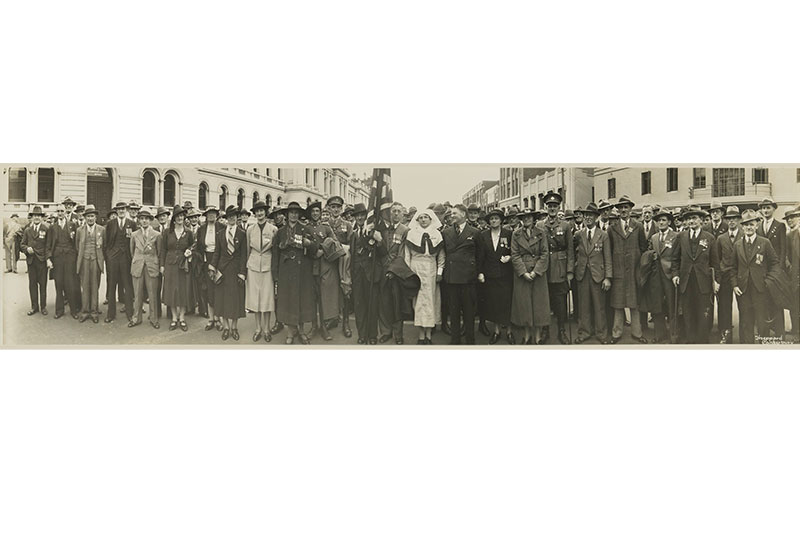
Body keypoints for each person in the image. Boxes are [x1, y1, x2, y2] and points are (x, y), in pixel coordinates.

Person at [273, 201, 319, 344]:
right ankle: (289, 333)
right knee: (288, 302)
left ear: (299, 214)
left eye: (296, 212)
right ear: (287, 214)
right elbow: (275, 254)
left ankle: (301, 331)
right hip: (286, 271)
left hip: (302, 271)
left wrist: (309, 244)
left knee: (301, 301)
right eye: (291, 212)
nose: (293, 215)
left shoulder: (305, 229)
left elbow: (315, 249)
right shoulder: (280, 232)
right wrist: (275, 275)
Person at [734, 210, 781, 344]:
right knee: (745, 321)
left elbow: (775, 264)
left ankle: (762, 348)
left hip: (761, 289)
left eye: (752, 224)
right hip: (742, 290)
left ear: (756, 226)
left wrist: (768, 281)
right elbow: (732, 267)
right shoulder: (737, 245)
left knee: (762, 322)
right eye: (746, 225)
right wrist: (735, 285)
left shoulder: (765, 243)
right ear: (742, 227)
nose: (749, 227)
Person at [672, 208, 718, 344]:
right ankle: (690, 339)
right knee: (687, 311)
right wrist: (675, 274)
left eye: (695, 218)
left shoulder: (709, 238)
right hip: (686, 280)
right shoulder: (681, 237)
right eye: (689, 219)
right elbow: (675, 259)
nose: (691, 221)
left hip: (703, 281)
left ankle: (702, 340)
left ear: (701, 220)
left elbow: (715, 261)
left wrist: (716, 281)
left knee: (703, 311)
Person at [606, 195, 648, 343]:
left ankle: (637, 333)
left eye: (626, 207)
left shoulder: (638, 226)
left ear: (630, 209)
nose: (623, 210)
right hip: (618, 272)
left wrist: (639, 267)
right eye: (621, 207)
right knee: (618, 304)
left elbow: (644, 247)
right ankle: (616, 333)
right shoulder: (612, 229)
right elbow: (609, 251)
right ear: (617, 211)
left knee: (634, 304)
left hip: (634, 272)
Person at [404, 208, 445, 344]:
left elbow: (441, 257)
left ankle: (428, 334)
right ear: (417, 219)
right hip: (416, 269)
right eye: (420, 217)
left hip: (431, 269)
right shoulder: (411, 234)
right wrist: (409, 274)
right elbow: (407, 256)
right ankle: (421, 335)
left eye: (426, 217)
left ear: (431, 219)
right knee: (419, 302)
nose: (423, 220)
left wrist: (439, 272)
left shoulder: (437, 234)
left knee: (430, 301)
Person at [538, 192, 574, 344]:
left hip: (560, 268)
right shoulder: (540, 225)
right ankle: (545, 330)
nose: (552, 209)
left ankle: (561, 330)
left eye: (555, 206)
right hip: (545, 269)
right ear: (546, 208)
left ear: (559, 207)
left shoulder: (565, 226)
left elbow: (570, 250)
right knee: (545, 302)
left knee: (560, 303)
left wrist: (570, 270)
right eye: (549, 206)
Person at [573, 204, 612, 344]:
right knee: (583, 306)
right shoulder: (578, 234)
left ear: (596, 217)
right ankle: (584, 332)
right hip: (582, 274)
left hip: (598, 275)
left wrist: (608, 278)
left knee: (599, 306)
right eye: (585, 215)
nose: (588, 218)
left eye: (591, 215)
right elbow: (573, 254)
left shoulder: (603, 235)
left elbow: (607, 257)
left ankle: (601, 334)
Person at [441, 204, 480, 345]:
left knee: (469, 311)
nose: (452, 216)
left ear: (463, 214)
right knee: (454, 311)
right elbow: (443, 253)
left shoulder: (475, 232)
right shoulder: (446, 233)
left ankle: (470, 339)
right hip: (451, 277)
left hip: (468, 277)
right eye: (451, 214)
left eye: (454, 213)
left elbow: (479, 255)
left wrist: (477, 272)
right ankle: (455, 339)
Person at [510, 209, 550, 344]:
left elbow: (545, 253)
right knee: (524, 305)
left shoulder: (541, 233)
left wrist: (536, 271)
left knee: (539, 305)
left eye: (529, 217)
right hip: (522, 273)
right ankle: (527, 335)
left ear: (533, 218)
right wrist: (523, 272)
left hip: (538, 272)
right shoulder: (516, 234)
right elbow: (514, 255)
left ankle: (538, 335)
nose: (526, 219)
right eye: (524, 217)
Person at [477, 209, 515, 344]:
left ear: (501, 220)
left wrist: (509, 257)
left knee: (507, 303)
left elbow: (514, 251)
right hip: (490, 274)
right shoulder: (483, 235)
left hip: (505, 274)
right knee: (493, 303)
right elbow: (480, 256)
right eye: (491, 219)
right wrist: (480, 272)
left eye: (496, 218)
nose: (494, 221)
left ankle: (509, 332)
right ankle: (497, 331)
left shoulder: (509, 234)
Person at [210, 205, 247, 340]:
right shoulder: (220, 234)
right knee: (223, 299)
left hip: (236, 270)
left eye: (234, 216)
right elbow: (217, 253)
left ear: (237, 217)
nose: (231, 218)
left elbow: (244, 255)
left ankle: (234, 327)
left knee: (235, 299)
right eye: (229, 216)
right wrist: (212, 267)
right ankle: (226, 327)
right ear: (226, 218)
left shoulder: (242, 234)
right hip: (223, 270)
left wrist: (242, 273)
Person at [349, 203, 384, 344]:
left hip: (371, 273)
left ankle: (372, 335)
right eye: (357, 216)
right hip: (357, 274)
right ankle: (362, 335)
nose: (360, 218)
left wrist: (379, 241)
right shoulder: (353, 234)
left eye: (362, 215)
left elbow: (382, 252)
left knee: (372, 305)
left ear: (366, 216)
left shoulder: (373, 231)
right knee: (359, 306)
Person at [306, 201, 339, 341]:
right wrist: (314, 249)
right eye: (312, 211)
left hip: (324, 266)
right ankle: (314, 326)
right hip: (310, 266)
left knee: (324, 297)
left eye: (317, 211)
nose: (315, 213)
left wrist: (322, 249)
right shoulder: (306, 228)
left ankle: (324, 326)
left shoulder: (326, 227)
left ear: (320, 213)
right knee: (312, 298)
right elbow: (304, 244)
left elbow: (335, 242)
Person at [159, 205, 195, 332]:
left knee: (183, 291)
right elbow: (163, 249)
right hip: (170, 265)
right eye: (178, 216)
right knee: (172, 292)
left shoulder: (189, 232)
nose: (180, 218)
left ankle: (182, 318)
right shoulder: (167, 232)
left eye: (182, 216)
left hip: (183, 266)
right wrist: (162, 265)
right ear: (174, 219)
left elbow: (193, 246)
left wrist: (190, 252)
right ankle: (174, 318)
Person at [646, 209, 680, 343]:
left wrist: (675, 273)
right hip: (656, 275)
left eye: (664, 220)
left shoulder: (676, 236)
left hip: (670, 274)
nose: (661, 222)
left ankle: (673, 334)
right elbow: (650, 252)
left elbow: (678, 256)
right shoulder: (654, 237)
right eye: (659, 220)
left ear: (669, 222)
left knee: (672, 305)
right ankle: (659, 334)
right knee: (657, 305)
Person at [379, 202, 410, 344]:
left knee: (397, 304)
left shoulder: (405, 230)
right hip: (382, 271)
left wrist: (393, 270)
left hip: (396, 272)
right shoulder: (384, 230)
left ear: (403, 214)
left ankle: (398, 334)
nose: (396, 214)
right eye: (393, 211)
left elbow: (402, 253)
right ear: (390, 214)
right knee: (384, 302)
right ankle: (386, 331)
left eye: (398, 211)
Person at [246, 201, 277, 342]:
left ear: (266, 212)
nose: (259, 213)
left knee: (267, 298)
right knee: (255, 299)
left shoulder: (273, 229)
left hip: (267, 264)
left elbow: (275, 251)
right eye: (257, 211)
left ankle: (266, 329)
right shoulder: (250, 229)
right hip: (253, 266)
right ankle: (258, 328)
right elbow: (247, 250)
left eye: (262, 211)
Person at [756, 197, 787, 338]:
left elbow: (783, 250)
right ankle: (765, 332)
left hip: (775, 272)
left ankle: (779, 332)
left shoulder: (779, 226)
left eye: (768, 208)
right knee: (764, 301)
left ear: (773, 209)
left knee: (776, 301)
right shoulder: (759, 226)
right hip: (762, 271)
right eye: (763, 208)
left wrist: (778, 270)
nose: (765, 210)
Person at [713, 206, 743, 343]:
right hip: (724, 276)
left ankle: (745, 335)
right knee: (724, 306)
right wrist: (717, 279)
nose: (731, 222)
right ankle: (724, 333)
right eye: (729, 219)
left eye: (734, 219)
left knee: (744, 306)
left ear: (739, 220)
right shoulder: (721, 238)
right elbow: (717, 259)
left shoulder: (744, 234)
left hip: (740, 276)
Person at [46, 203, 80, 320]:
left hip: (70, 258)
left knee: (70, 284)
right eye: (58, 211)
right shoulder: (52, 227)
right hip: (58, 259)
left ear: (66, 212)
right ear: (56, 213)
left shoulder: (72, 225)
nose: (60, 213)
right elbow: (49, 244)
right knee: (59, 284)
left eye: (62, 211)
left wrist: (75, 257)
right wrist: (49, 259)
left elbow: (76, 243)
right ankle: (59, 310)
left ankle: (74, 310)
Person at [326, 195, 354, 338]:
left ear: (341, 209)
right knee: (331, 291)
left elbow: (351, 243)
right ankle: (333, 318)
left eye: (338, 207)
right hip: (329, 263)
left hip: (343, 262)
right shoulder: (325, 223)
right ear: (328, 208)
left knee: (345, 290)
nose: (335, 209)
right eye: (333, 207)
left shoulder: (347, 225)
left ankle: (346, 323)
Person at [103, 201, 136, 324]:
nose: (121, 211)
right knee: (112, 286)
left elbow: (134, 242)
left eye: (123, 209)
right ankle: (110, 314)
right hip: (113, 258)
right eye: (119, 209)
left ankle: (130, 313)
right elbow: (106, 242)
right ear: (116, 211)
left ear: (126, 210)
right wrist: (109, 255)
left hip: (126, 259)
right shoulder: (110, 224)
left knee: (128, 286)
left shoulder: (132, 223)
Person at [129, 208, 161, 329]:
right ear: (138, 220)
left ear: (150, 220)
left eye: (147, 219)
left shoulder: (157, 235)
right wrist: (138, 260)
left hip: (151, 266)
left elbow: (159, 252)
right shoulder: (134, 234)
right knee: (137, 294)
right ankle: (136, 318)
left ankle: (154, 319)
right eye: (142, 219)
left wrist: (154, 262)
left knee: (152, 293)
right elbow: (132, 251)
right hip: (137, 266)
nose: (144, 221)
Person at [196, 206, 224, 331]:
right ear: (206, 216)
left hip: (218, 262)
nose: (211, 216)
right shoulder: (201, 229)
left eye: (214, 213)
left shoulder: (222, 227)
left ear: (217, 215)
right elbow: (199, 247)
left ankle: (219, 319)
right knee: (208, 290)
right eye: (209, 214)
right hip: (206, 261)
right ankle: (211, 319)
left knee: (219, 290)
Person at [75, 205, 105, 323]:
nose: (90, 219)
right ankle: (85, 311)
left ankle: (94, 311)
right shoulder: (79, 230)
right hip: (84, 261)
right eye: (88, 216)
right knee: (85, 286)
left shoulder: (102, 230)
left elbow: (104, 246)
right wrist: (84, 256)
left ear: (95, 217)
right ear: (85, 218)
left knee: (94, 286)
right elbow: (77, 246)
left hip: (96, 260)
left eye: (92, 216)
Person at [21, 206, 49, 316]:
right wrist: (26, 249)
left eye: (39, 216)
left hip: (42, 261)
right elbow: (22, 244)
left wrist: (48, 259)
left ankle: (43, 307)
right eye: (34, 216)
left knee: (43, 285)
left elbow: (48, 245)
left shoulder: (46, 228)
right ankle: (34, 307)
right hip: (31, 261)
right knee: (32, 285)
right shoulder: (27, 230)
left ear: (41, 217)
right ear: (32, 217)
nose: (36, 218)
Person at [784, 206, 800, 339]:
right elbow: (785, 256)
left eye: (793, 217)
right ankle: (796, 331)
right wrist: (790, 269)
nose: (790, 220)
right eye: (788, 218)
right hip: (795, 276)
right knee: (794, 304)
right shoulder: (789, 236)